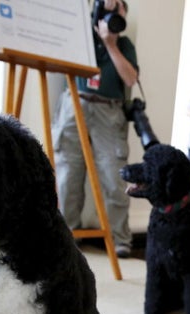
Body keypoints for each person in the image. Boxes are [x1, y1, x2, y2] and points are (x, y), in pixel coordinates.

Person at [53, 0, 138, 258]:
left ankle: (120, 238)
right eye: (110, 10)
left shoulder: (124, 45)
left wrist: (111, 44)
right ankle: (66, 234)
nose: (115, 15)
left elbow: (131, 78)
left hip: (109, 111)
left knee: (115, 177)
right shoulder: (81, 34)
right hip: (75, 103)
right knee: (68, 173)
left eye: (120, 11)